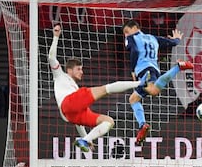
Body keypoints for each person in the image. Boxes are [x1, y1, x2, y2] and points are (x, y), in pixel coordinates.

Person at [48, 24, 150, 152]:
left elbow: (78, 122)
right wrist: (56, 37)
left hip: (70, 115)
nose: (81, 72)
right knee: (104, 89)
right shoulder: (60, 75)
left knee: (108, 121)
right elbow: (51, 57)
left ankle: (85, 140)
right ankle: (139, 83)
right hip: (67, 104)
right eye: (78, 69)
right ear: (69, 70)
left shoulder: (75, 88)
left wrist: (85, 137)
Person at [122, 20, 194, 145]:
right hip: (153, 68)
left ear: (135, 28)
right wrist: (177, 39)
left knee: (152, 91)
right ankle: (142, 125)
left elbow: (134, 51)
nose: (126, 35)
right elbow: (171, 42)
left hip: (143, 70)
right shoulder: (152, 38)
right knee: (134, 99)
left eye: (127, 32)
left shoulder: (132, 38)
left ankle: (178, 67)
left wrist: (132, 69)